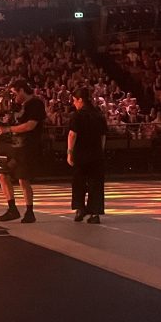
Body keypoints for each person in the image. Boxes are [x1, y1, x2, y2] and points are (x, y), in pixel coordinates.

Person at [0, 78, 46, 223]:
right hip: (15, 147)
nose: (14, 97)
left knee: (23, 179)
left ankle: (29, 211)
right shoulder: (18, 106)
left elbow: (30, 125)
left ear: (21, 90)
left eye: (15, 93)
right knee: (2, 175)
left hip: (28, 147)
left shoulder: (35, 104)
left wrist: (8, 129)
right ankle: (12, 208)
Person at [67, 86, 108, 224]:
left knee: (79, 182)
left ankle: (80, 209)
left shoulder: (77, 115)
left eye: (74, 100)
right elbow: (103, 136)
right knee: (96, 183)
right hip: (96, 153)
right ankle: (95, 213)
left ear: (80, 100)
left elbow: (72, 134)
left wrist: (69, 152)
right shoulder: (98, 114)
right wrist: (101, 150)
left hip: (80, 153)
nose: (74, 103)